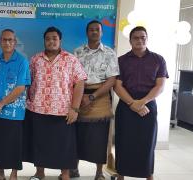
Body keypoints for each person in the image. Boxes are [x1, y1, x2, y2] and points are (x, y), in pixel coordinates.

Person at [25, 26, 87, 180]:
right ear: (44, 41)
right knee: (40, 144)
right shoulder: (35, 60)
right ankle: (40, 173)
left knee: (64, 146)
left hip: (63, 111)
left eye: (54, 38)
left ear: (60, 40)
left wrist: (75, 108)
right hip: (38, 109)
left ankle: (64, 174)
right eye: (48, 39)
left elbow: (79, 83)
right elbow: (28, 82)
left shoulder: (71, 59)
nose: (51, 41)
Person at [114, 26, 168, 180]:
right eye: (136, 38)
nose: (139, 40)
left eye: (142, 37)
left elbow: (160, 86)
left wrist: (142, 102)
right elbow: (118, 86)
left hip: (148, 104)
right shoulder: (121, 60)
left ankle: (148, 175)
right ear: (130, 40)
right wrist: (132, 103)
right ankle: (120, 175)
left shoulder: (158, 59)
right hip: (126, 104)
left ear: (147, 38)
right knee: (123, 142)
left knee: (147, 143)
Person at [70, 20, 120, 180]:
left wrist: (92, 96)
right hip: (79, 95)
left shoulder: (110, 53)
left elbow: (112, 80)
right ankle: (73, 169)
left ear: (102, 33)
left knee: (100, 137)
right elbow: (72, 77)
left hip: (100, 97)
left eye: (97, 29)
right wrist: (81, 96)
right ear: (87, 33)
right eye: (91, 30)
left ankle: (99, 172)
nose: (94, 32)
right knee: (76, 134)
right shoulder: (77, 52)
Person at [0, 29, 31, 180]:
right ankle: (0, 172)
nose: (7, 42)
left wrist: (1, 103)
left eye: (10, 40)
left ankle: (14, 173)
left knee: (13, 144)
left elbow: (20, 87)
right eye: (4, 40)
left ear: (15, 42)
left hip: (14, 113)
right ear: (0, 42)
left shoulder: (22, 62)